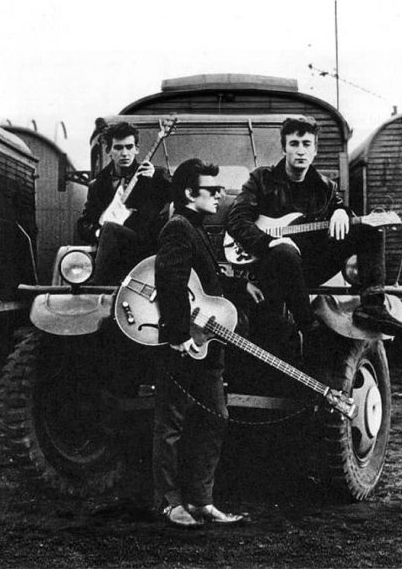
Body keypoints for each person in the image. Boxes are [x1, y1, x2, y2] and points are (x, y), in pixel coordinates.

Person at [226, 115, 402, 339]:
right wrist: (269, 241)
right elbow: (236, 218)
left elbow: (340, 208)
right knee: (285, 251)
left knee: (370, 230)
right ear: (284, 149)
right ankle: (308, 326)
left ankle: (372, 307)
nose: (300, 151)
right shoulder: (262, 179)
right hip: (269, 266)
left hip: (310, 266)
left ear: (315, 151)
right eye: (294, 144)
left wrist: (343, 212)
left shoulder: (325, 187)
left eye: (306, 144)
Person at [154, 158, 262, 528]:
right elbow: (170, 281)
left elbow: (203, 282)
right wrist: (179, 336)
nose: (220, 196)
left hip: (208, 341)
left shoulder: (196, 228)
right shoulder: (178, 228)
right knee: (172, 423)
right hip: (187, 342)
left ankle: (202, 502)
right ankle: (170, 504)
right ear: (188, 193)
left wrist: (237, 286)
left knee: (216, 417)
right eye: (212, 190)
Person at [77, 121, 171, 284]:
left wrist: (150, 182)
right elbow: (84, 224)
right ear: (109, 151)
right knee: (109, 228)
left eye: (129, 147)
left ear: (137, 149)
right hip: (112, 255)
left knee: (110, 228)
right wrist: (100, 233)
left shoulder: (156, 176)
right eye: (118, 148)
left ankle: (97, 284)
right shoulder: (97, 185)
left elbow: (173, 202)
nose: (125, 153)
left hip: (146, 252)